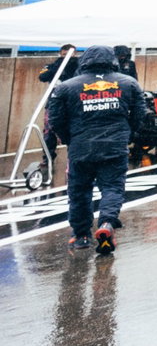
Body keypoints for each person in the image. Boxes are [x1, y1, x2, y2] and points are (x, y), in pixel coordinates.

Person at [47, 45, 147, 254]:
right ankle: (106, 224)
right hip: (114, 145)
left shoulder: (65, 87)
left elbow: (55, 120)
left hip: (80, 147)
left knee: (79, 191)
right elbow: (140, 114)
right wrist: (127, 135)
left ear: (85, 60)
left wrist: (70, 140)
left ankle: (81, 235)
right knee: (112, 188)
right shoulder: (128, 82)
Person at [37, 43, 77, 167]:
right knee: (49, 132)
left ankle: (73, 158)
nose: (67, 57)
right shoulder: (52, 65)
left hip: (72, 104)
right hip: (54, 103)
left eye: (70, 55)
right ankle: (48, 157)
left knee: (74, 131)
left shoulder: (79, 66)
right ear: (60, 53)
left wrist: (71, 64)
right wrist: (58, 65)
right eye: (64, 55)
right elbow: (42, 76)